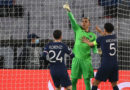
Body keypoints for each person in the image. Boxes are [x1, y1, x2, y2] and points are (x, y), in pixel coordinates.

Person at [63, 3, 98, 90]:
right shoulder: (78, 29)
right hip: (76, 59)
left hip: (86, 60)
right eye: (82, 21)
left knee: (87, 81)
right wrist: (69, 11)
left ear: (89, 24)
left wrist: (97, 52)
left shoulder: (93, 35)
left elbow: (94, 47)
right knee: (73, 80)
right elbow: (73, 20)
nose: (83, 23)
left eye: (86, 21)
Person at [81, 23, 119, 90]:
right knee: (114, 85)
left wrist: (86, 41)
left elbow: (91, 44)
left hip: (106, 64)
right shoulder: (115, 37)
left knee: (95, 83)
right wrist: (100, 31)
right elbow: (107, 37)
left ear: (105, 29)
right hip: (115, 64)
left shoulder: (101, 39)